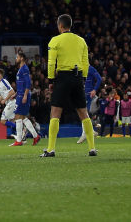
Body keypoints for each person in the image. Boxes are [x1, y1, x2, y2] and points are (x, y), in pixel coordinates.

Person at [41, 14, 97, 157]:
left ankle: (51, 149)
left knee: (55, 113)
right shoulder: (81, 41)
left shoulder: (55, 40)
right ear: (70, 25)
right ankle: (92, 148)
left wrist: (51, 80)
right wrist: (82, 79)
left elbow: (51, 63)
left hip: (63, 77)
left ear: (60, 25)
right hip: (78, 77)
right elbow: (86, 63)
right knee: (83, 113)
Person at [14, 50, 41, 145]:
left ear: (21, 58)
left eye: (17, 57)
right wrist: (16, 93)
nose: (16, 59)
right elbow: (22, 84)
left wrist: (25, 95)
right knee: (23, 117)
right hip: (20, 94)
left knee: (17, 116)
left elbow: (28, 83)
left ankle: (19, 141)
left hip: (23, 96)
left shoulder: (24, 69)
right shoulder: (21, 68)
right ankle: (36, 136)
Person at [0, 67, 20, 145]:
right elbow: (2, 96)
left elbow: (12, 91)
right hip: (9, 103)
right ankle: (20, 134)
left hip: (11, 102)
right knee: (12, 120)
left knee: (3, 121)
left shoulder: (4, 81)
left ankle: (21, 129)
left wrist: (5, 99)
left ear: (0, 75)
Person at [77, 64, 103, 143]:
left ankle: (85, 133)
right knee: (83, 112)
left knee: (83, 112)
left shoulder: (90, 69)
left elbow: (99, 79)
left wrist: (94, 90)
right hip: (81, 94)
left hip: (88, 95)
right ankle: (88, 131)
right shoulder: (79, 68)